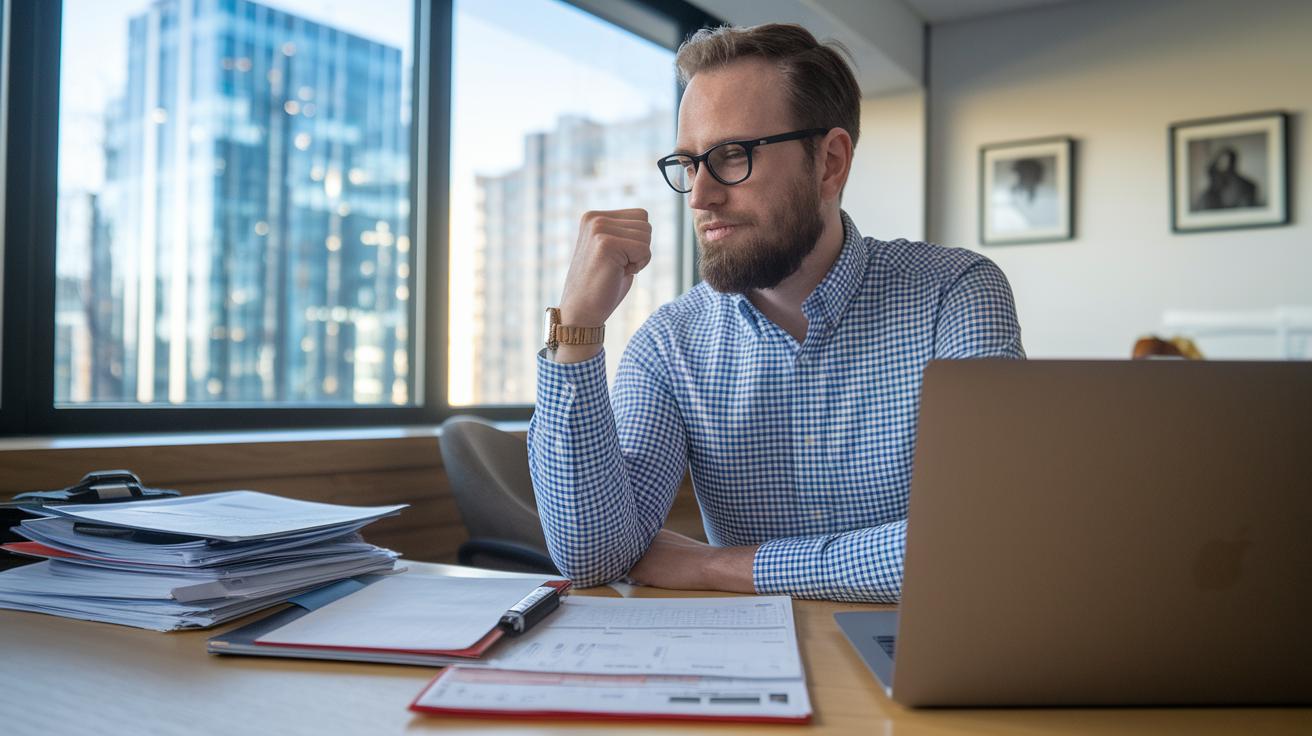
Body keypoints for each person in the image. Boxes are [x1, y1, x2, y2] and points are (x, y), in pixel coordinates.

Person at [527, 23, 1024, 603]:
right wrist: (578, 329)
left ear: (830, 163)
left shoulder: (955, 294)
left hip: (925, 658)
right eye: (689, 164)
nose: (701, 196)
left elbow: (982, 543)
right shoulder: (670, 343)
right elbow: (594, 556)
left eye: (732, 155)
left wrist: (720, 566)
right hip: (744, 674)